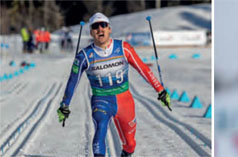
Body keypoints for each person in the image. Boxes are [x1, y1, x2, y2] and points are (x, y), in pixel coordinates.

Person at [57, 12, 171, 156]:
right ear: (91, 32)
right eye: (95, 27)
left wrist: (160, 90)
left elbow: (143, 69)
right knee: (101, 128)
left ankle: (126, 153)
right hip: (101, 100)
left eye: (103, 25)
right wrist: (64, 104)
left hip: (125, 101)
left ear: (109, 28)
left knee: (130, 144)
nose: (100, 29)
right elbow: (73, 81)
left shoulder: (123, 48)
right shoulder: (84, 56)